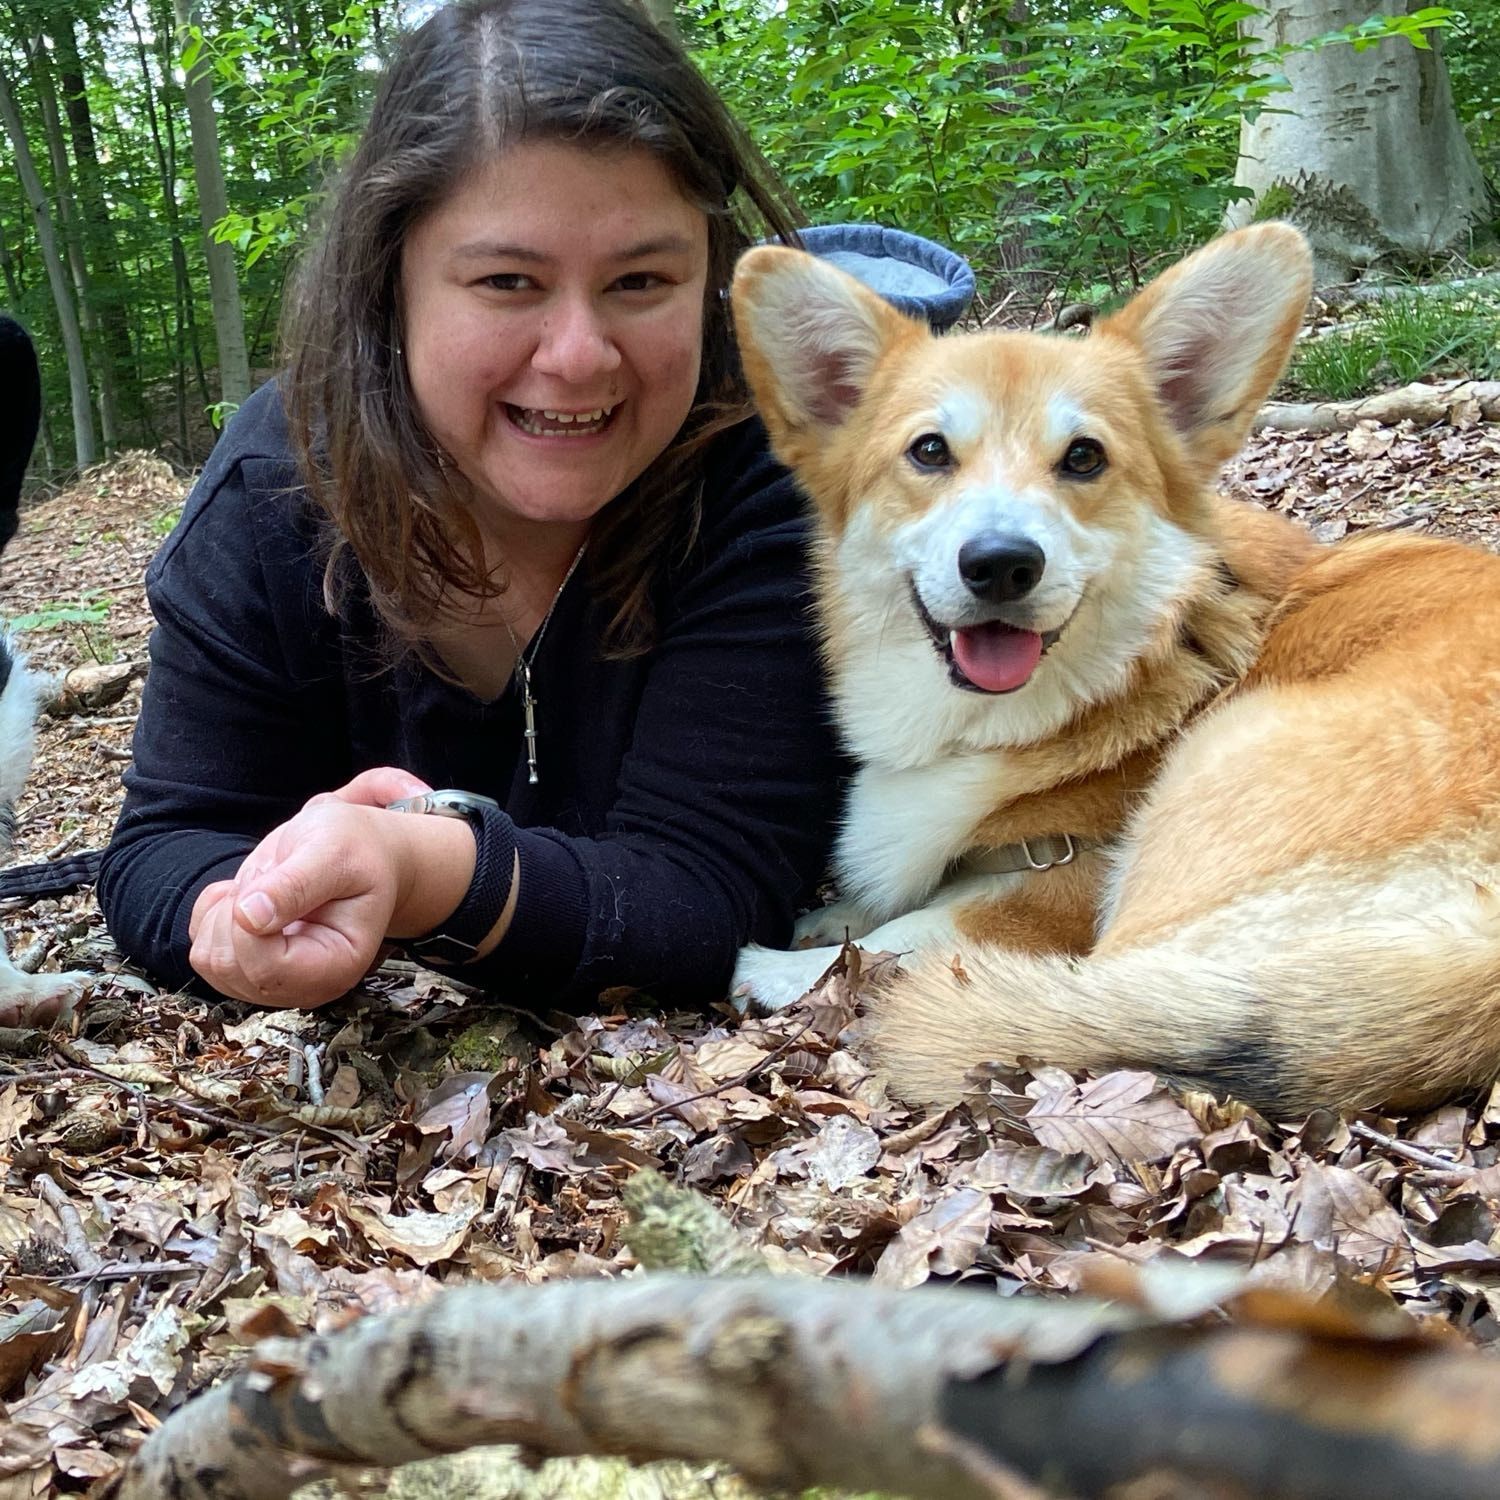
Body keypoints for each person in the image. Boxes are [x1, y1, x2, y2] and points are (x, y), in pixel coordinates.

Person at [98, 0, 968, 1013]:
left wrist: (424, 872)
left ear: (709, 281)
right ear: (391, 284)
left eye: (641, 281)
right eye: (508, 281)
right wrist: (241, 912)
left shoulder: (777, 476)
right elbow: (169, 839)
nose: (578, 356)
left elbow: (708, 889)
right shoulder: (278, 489)